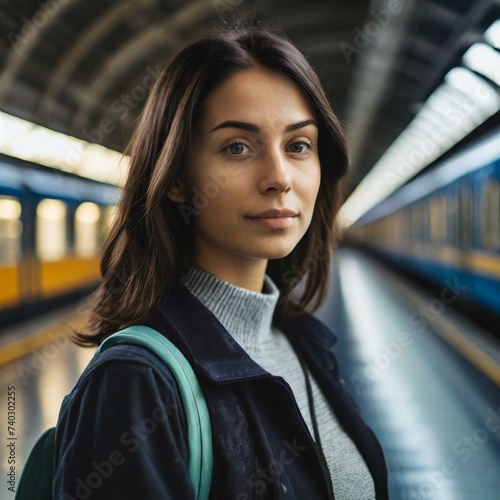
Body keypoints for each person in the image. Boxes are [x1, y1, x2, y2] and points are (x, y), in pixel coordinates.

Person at [53, 28, 389, 499]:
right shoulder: (136, 383)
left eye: (298, 146)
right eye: (237, 147)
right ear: (176, 180)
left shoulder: (304, 343)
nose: (279, 178)